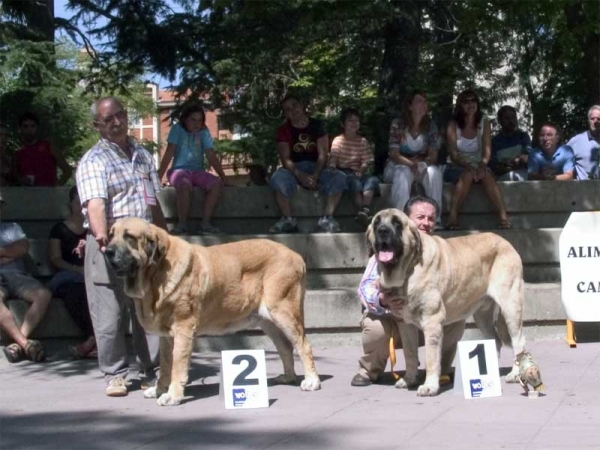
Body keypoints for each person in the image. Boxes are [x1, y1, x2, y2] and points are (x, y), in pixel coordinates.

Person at [76, 96, 166, 397]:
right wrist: (104, 241)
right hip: (109, 245)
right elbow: (95, 205)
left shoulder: (142, 154)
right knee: (109, 315)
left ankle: (153, 371)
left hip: (143, 246)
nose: (116, 122)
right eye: (108, 119)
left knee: (148, 308)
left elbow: (153, 200)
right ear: (97, 125)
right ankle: (115, 375)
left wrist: (165, 239)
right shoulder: (94, 159)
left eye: (120, 115)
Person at [351, 195, 438, 387]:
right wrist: (382, 299)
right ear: (408, 223)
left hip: (425, 323)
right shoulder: (384, 253)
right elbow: (364, 289)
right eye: (420, 217)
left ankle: (441, 371)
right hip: (392, 322)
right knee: (376, 328)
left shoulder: (437, 252)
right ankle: (369, 370)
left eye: (430, 219)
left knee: (453, 318)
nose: (425, 223)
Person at [269, 95, 347, 233]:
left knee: (339, 177)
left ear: (301, 105)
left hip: (317, 166)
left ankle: (327, 218)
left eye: (294, 105)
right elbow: (285, 159)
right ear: (286, 114)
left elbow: (323, 155)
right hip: (294, 168)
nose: (293, 110)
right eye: (288, 109)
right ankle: (288, 219)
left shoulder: (317, 125)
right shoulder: (283, 130)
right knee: (277, 178)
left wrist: (315, 176)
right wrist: (300, 176)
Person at [157, 103, 228, 235]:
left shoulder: (204, 132)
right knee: (184, 185)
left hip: (198, 171)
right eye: (193, 120)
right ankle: (182, 224)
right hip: (179, 171)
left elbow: (211, 156)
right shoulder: (177, 129)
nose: (197, 124)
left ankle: (205, 223)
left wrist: (224, 178)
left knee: (216, 184)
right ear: (185, 119)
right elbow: (168, 153)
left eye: (200, 120)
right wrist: (159, 176)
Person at [444, 89, 510, 230]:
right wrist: (469, 167)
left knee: (487, 175)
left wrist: (482, 165)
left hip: (478, 163)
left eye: (473, 100)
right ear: (460, 105)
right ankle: (453, 217)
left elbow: (487, 150)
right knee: (467, 175)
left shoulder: (484, 122)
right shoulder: (453, 124)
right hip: (456, 165)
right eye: (466, 101)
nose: (470, 104)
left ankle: (503, 217)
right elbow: (453, 154)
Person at [0, 191, 51, 363]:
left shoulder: (12, 228)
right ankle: (26, 344)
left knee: (43, 294)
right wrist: (9, 254)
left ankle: (19, 343)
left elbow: (22, 248)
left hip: (17, 276)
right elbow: (15, 250)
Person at [48, 186, 96, 359]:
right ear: (70, 204)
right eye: (78, 203)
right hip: (68, 275)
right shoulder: (59, 229)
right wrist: (77, 269)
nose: (81, 208)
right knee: (74, 292)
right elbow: (55, 259)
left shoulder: (94, 229)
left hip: (92, 274)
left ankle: (93, 341)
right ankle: (93, 339)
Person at [384, 90, 443, 225]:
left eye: (425, 101)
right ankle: (400, 220)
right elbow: (394, 154)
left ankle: (435, 218)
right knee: (402, 172)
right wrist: (410, 164)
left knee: (435, 173)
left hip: (421, 165)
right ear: (410, 106)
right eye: (419, 101)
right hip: (397, 165)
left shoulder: (431, 126)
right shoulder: (398, 124)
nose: (423, 104)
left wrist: (423, 163)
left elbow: (433, 155)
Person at [328, 107, 380, 227]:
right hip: (345, 172)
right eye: (350, 120)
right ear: (343, 123)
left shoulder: (362, 141)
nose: (354, 123)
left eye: (356, 120)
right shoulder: (338, 140)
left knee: (372, 181)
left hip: (359, 171)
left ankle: (364, 210)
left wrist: (361, 170)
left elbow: (367, 160)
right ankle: (363, 212)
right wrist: (332, 165)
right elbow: (334, 155)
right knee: (354, 183)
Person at [14, 112, 72, 186]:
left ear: (37, 127)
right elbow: (15, 179)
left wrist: (57, 187)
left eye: (32, 126)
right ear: (20, 129)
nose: (29, 130)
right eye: (25, 126)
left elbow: (67, 171)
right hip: (27, 194)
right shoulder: (18, 153)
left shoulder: (48, 146)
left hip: (49, 194)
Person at [490, 105, 531, 181]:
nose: (511, 121)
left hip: (523, 175)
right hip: (503, 178)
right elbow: (493, 166)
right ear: (500, 120)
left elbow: (528, 157)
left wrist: (519, 161)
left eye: (513, 117)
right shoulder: (494, 142)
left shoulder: (523, 137)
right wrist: (504, 167)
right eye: (507, 118)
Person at [566, 105, 600, 180]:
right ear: (588, 120)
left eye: (598, 119)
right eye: (592, 119)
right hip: (584, 190)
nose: (595, 121)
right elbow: (562, 160)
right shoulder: (577, 141)